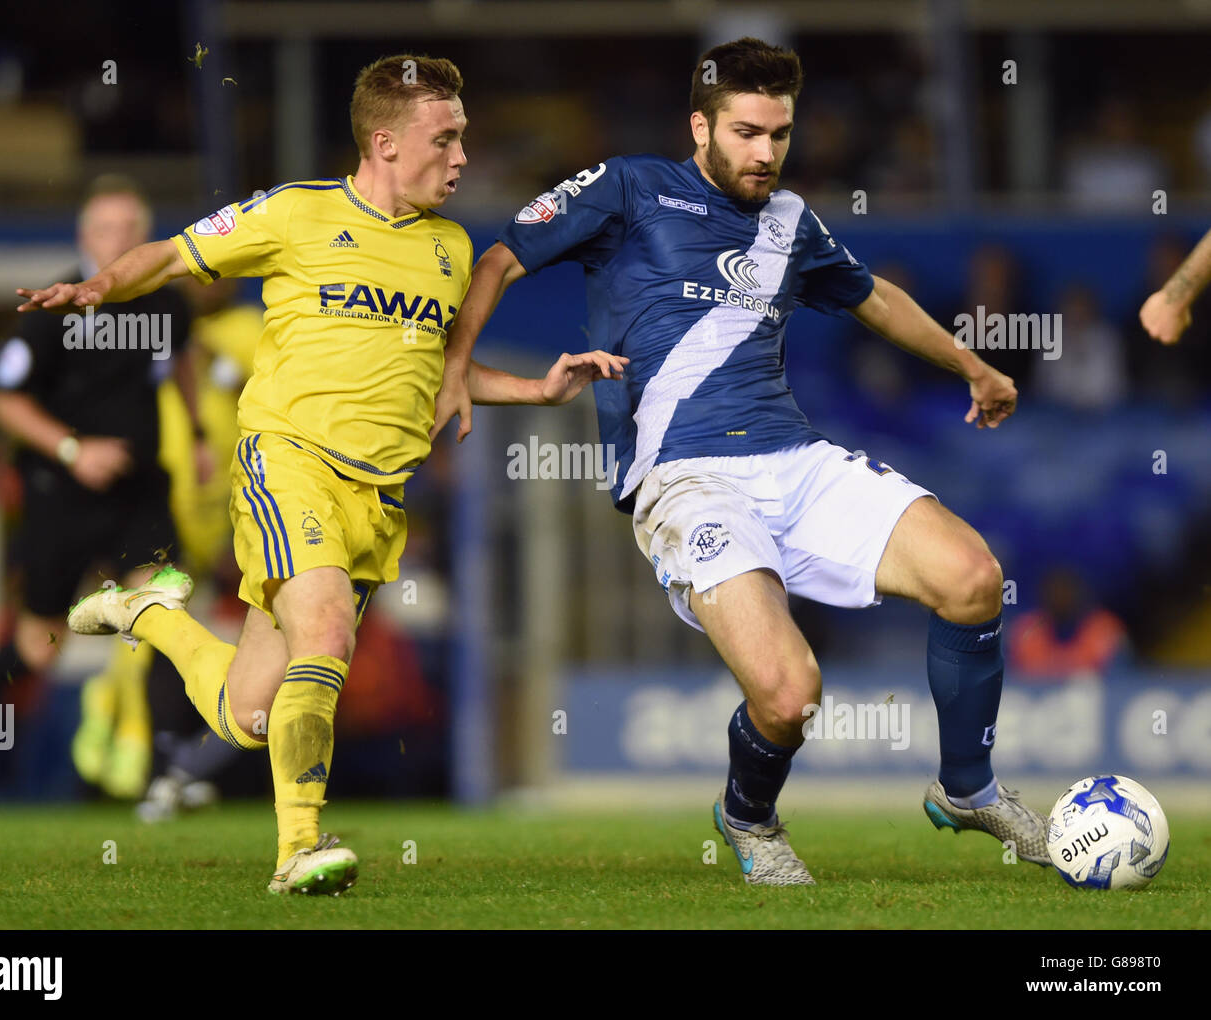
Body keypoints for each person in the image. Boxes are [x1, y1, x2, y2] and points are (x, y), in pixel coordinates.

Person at [434, 37, 1048, 885]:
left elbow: (875, 300)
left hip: (795, 458)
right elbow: (501, 257)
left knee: (974, 577)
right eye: (748, 132)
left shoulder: (792, 222)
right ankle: (748, 816)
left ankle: (968, 785)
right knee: (790, 695)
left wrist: (973, 365)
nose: (766, 153)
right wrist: (457, 369)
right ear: (701, 125)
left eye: (781, 134)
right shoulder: (628, 188)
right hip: (686, 480)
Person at [22, 54, 625, 895]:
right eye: (443, 139)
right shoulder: (297, 214)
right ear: (384, 141)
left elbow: (445, 375)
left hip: (377, 504)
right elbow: (169, 257)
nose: (460, 159)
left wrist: (539, 388)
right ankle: (297, 849)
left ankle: (146, 615)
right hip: (287, 462)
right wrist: (99, 287)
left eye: (463, 140)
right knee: (328, 635)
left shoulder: (451, 250)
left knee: (248, 715)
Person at [0, 174, 208, 799]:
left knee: (163, 613)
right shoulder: (53, 306)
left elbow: (182, 362)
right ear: (85, 236)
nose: (121, 239)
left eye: (132, 229)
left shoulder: (167, 302)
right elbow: (6, 401)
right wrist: (72, 449)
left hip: (139, 493)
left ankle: (167, 771)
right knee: (41, 642)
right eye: (108, 228)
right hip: (63, 493)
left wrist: (196, 435)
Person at [1139, 225, 1211, 345]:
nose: (1166, 269)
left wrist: (1175, 298)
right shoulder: (1139, 310)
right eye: (1161, 264)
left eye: (1172, 264)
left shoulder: (1205, 311)